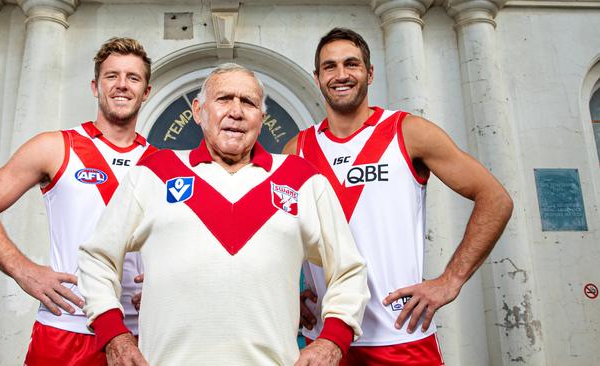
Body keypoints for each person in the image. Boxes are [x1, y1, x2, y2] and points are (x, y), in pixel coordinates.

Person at [77, 63, 370, 366]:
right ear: (198, 110)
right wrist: (114, 335)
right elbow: (97, 257)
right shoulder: (155, 173)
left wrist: (332, 341)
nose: (236, 111)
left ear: (261, 117)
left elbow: (349, 270)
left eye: (249, 102)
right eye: (224, 99)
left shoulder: (302, 179)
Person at [283, 28, 514, 365]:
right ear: (317, 78)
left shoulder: (408, 132)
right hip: (326, 339)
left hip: (401, 336)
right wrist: (293, 287)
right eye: (330, 67)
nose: (341, 74)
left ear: (370, 73)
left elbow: (496, 198)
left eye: (352, 64)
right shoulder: (298, 149)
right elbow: (286, 230)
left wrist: (450, 281)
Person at [0, 37, 157, 365]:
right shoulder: (54, 146)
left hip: (138, 332)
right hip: (67, 327)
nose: (122, 85)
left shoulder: (162, 163)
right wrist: (24, 271)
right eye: (112, 76)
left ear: (146, 91)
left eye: (133, 78)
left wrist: (166, 277)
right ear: (95, 86)